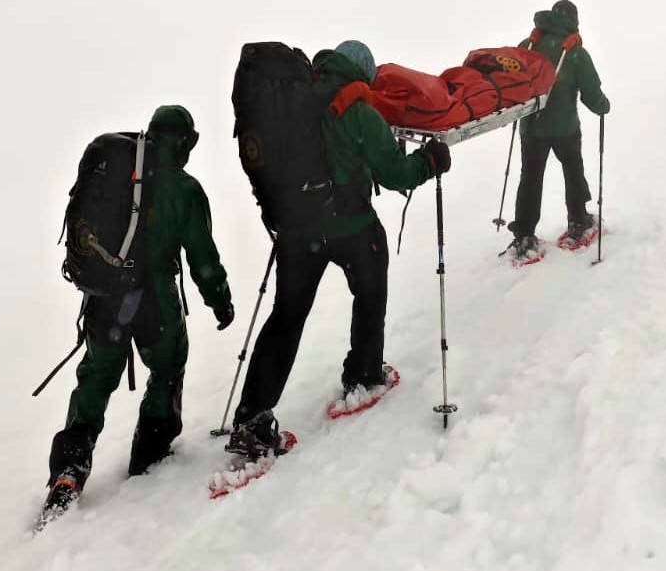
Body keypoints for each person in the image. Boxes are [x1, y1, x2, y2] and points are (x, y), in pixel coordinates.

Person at [227, 40, 450, 458]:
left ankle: (251, 419)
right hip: (350, 226)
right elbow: (396, 172)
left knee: (286, 318)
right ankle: (364, 375)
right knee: (369, 293)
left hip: (296, 231)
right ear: (363, 73)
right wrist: (430, 162)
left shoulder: (296, 98)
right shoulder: (356, 108)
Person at [44, 105, 235, 512]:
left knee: (95, 380)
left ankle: (69, 470)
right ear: (183, 141)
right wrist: (220, 301)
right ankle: (150, 455)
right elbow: (203, 258)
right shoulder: (185, 190)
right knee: (166, 370)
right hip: (156, 303)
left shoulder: (119, 175)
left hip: (105, 299)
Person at [506, 0, 610, 262]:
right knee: (573, 170)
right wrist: (602, 106)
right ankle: (578, 221)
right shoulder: (575, 53)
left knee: (530, 177)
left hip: (531, 126)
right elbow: (591, 94)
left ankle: (524, 235)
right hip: (565, 128)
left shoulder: (528, 45)